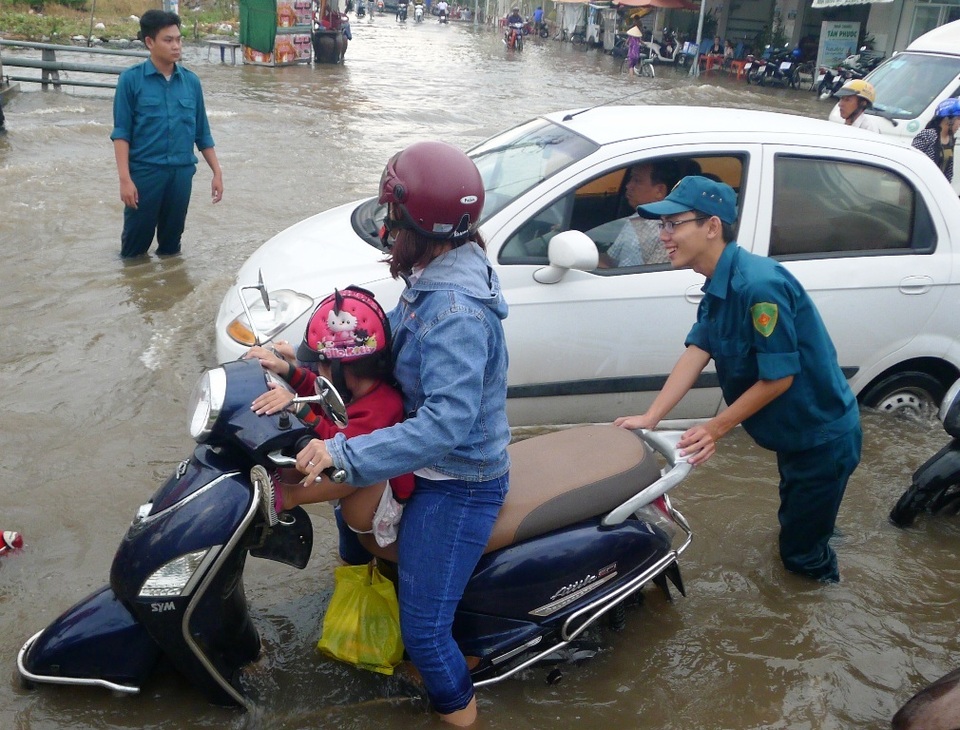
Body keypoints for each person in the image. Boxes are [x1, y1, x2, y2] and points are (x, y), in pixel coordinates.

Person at [295, 141, 510, 726]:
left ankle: (460, 713)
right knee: (348, 518)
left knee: (425, 629)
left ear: (418, 226)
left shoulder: (455, 312)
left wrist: (344, 450)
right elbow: (380, 344)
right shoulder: (437, 272)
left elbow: (446, 424)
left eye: (393, 218)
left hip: (459, 478)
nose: (387, 229)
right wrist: (301, 358)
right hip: (424, 458)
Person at [614, 176, 861, 584]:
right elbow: (698, 349)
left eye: (673, 224)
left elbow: (779, 378)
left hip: (821, 437)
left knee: (801, 556)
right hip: (794, 434)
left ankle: (821, 612)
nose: (664, 236)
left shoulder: (759, 287)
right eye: (662, 226)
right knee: (802, 522)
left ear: (712, 226)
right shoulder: (718, 284)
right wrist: (651, 416)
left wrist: (714, 428)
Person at [244, 287, 414, 561]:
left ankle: (287, 497)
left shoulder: (384, 404)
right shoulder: (353, 389)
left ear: (337, 370)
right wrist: (285, 369)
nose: (314, 371)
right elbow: (320, 390)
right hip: (362, 494)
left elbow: (341, 446)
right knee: (295, 457)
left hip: (381, 505)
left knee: (350, 463)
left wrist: (299, 407)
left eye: (319, 366)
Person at [110, 10, 223, 259]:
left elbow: (202, 132)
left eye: (179, 39)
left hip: (181, 175)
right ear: (150, 42)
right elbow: (121, 134)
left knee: (172, 248)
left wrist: (217, 172)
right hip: (145, 176)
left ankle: (169, 294)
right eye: (168, 40)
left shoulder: (191, 82)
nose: (176, 46)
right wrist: (124, 179)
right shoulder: (131, 81)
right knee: (134, 251)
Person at [600, 159, 691, 268]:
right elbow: (611, 259)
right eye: (631, 179)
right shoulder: (636, 217)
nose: (628, 186)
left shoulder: (666, 231)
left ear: (659, 191)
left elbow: (650, 278)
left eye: (637, 181)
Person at [911, 97, 960, 183]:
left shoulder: (950, 140)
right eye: (958, 119)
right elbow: (912, 162)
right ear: (947, 119)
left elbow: (948, 172)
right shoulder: (927, 135)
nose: (959, 124)